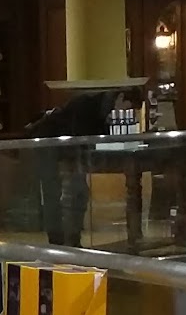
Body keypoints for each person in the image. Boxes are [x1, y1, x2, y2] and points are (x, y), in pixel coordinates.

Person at [26, 84, 137, 246]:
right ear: (120, 97)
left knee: (77, 192)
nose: (127, 112)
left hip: (68, 149)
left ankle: (72, 239)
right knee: (54, 192)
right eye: (128, 107)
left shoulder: (102, 109)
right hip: (48, 143)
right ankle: (58, 241)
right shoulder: (88, 104)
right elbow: (79, 137)